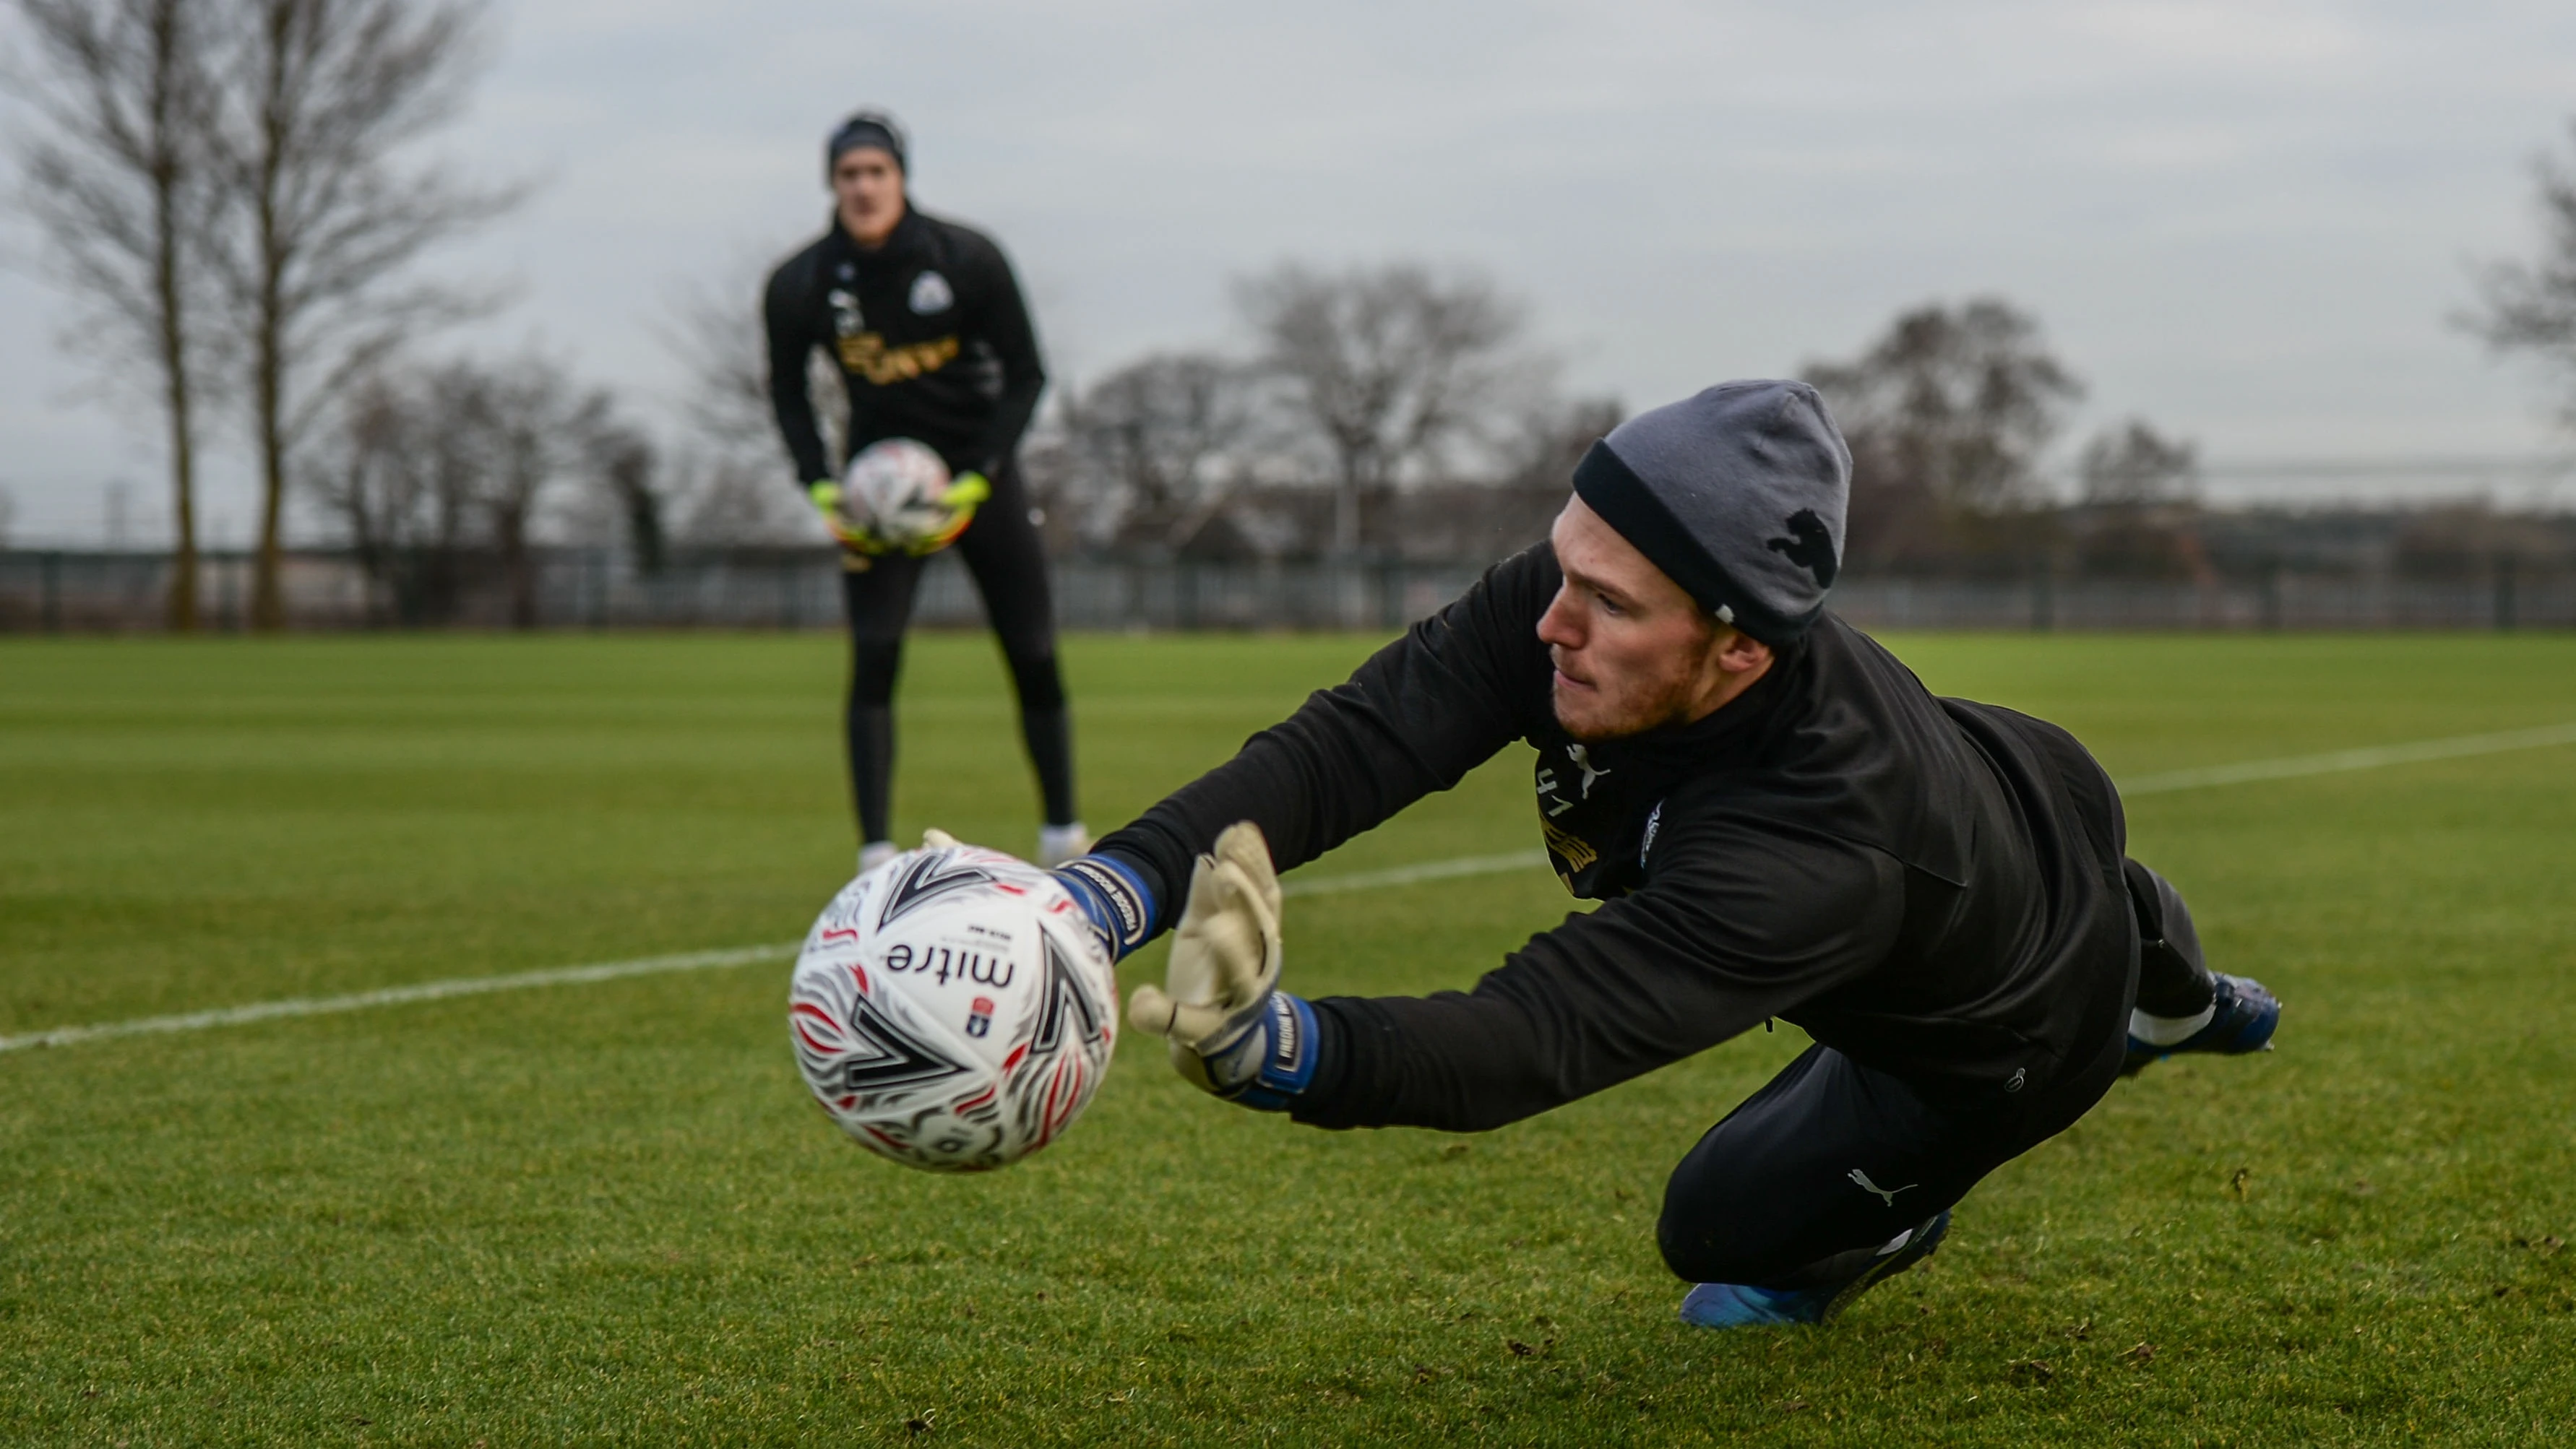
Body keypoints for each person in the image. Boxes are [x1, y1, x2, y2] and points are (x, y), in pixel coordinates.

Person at [1043, 381, 2280, 1328]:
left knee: (1718, 1236)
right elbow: (1357, 746)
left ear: (1739, 650)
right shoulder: (1588, 586)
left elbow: (1540, 1031)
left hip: (2007, 1034)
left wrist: (1285, 1051)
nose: (1550, 622)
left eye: (1611, 606)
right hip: (2025, 775)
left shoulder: (1817, 849)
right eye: (1565, 564)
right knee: (2080, 862)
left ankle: (2122, 1022)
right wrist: (1110, 891)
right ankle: (2174, 987)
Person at [766, 110, 1086, 873]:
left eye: (877, 171)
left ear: (901, 177)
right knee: (874, 656)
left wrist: (980, 475)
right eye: (849, 174)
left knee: (1033, 649)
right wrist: (820, 486)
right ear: (832, 183)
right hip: (880, 499)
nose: (864, 187)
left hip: (979, 482)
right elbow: (786, 391)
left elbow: (1027, 372)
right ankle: (875, 854)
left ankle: (1063, 835)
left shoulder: (966, 258)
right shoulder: (802, 282)